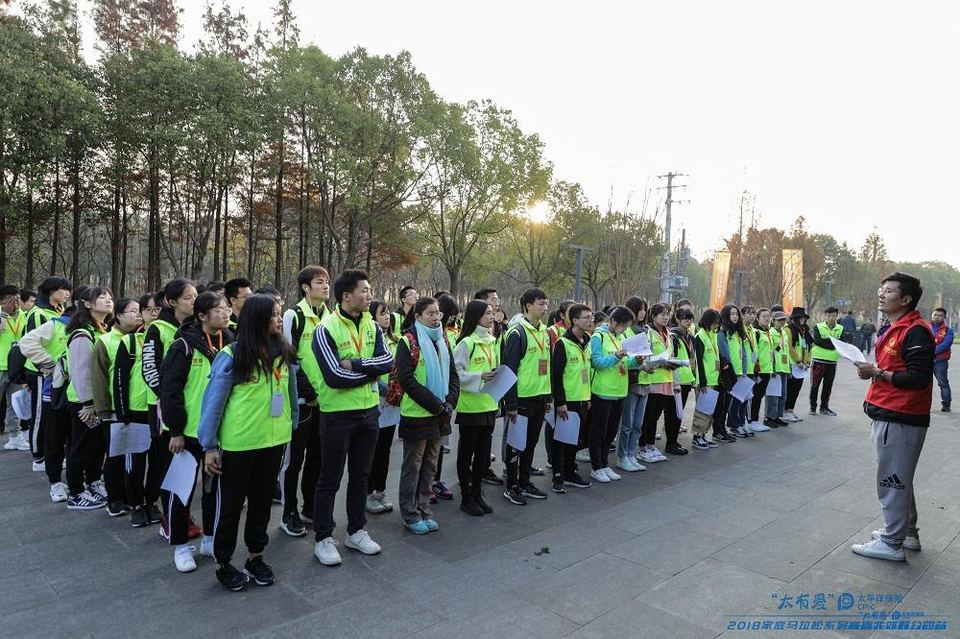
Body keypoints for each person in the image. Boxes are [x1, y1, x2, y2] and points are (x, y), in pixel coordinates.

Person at [195, 294, 297, 590]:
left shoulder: (283, 352)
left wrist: (292, 423)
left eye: (279, 314)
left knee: (262, 504)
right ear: (257, 320)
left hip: (273, 442)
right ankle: (223, 562)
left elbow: (290, 394)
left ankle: (255, 556)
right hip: (238, 446)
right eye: (274, 315)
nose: (279, 319)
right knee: (229, 507)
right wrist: (209, 446)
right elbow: (213, 404)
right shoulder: (232, 355)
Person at [311, 269, 394, 566]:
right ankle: (323, 537)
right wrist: (370, 374)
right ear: (346, 295)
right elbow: (334, 376)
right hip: (337, 415)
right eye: (364, 290)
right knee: (330, 478)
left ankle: (356, 531)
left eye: (369, 289)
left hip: (369, 412)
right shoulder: (325, 328)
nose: (369, 294)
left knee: (361, 475)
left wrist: (356, 364)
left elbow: (388, 361)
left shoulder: (373, 326)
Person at [850, 272, 934, 562]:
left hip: (901, 415)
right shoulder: (895, 327)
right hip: (889, 411)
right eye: (881, 289)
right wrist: (877, 371)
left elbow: (918, 378)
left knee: (892, 480)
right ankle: (906, 533)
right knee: (899, 477)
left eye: (888, 291)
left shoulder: (915, 331)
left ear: (906, 299)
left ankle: (891, 542)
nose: (881, 294)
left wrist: (877, 372)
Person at [158, 291, 233, 571]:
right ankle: (180, 546)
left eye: (226, 308)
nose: (225, 313)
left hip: (220, 432)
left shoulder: (232, 341)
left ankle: (210, 539)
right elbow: (170, 390)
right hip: (188, 433)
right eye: (218, 309)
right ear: (202, 316)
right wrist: (176, 430)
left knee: (214, 489)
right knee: (182, 491)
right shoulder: (183, 345)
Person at [395, 297, 459, 533]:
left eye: (437, 313)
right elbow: (407, 380)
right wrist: (436, 405)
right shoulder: (408, 341)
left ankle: (424, 509)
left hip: (440, 413)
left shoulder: (442, 339)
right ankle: (410, 514)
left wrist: (450, 402)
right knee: (413, 466)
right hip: (418, 414)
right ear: (418, 316)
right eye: (430, 313)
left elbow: (453, 375)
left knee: (430, 464)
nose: (435, 318)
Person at [279, 265, 330, 535]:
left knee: (318, 459)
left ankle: (310, 507)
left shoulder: (331, 317)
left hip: (327, 402)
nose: (326, 286)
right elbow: (289, 358)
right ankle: (288, 512)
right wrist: (308, 393)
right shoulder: (294, 315)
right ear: (306, 287)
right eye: (320, 282)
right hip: (302, 403)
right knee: (294, 461)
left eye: (327, 282)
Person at [90, 297, 146, 518]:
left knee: (135, 455)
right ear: (119, 316)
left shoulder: (143, 338)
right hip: (115, 409)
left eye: (139, 310)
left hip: (139, 408)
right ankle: (114, 499)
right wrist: (103, 410)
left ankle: (132, 497)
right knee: (115, 455)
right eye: (133, 311)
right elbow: (99, 379)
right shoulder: (106, 341)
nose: (138, 314)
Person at [62, 287, 114, 511]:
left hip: (97, 401)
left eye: (110, 297)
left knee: (97, 446)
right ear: (87, 304)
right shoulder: (82, 334)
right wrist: (88, 404)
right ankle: (75, 493)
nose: (108, 301)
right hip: (83, 402)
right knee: (81, 446)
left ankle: (93, 482)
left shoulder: (101, 329)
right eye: (102, 297)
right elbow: (80, 372)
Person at [502, 288, 552, 505]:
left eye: (546, 303)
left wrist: (548, 396)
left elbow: (546, 366)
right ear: (528, 306)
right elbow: (509, 370)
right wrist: (511, 403)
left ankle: (524, 481)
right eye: (541, 303)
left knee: (531, 443)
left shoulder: (544, 332)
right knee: (516, 444)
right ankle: (511, 486)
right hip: (522, 399)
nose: (545, 307)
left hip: (539, 397)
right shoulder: (516, 333)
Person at [16, 276, 71, 468]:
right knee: (39, 415)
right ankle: (38, 457)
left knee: (52, 416)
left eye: (69, 290)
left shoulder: (60, 311)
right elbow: (30, 343)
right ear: (51, 291)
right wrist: (45, 366)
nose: (67, 293)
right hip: (40, 371)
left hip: (56, 372)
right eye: (63, 289)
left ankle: (50, 453)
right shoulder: (37, 313)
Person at [454, 300, 500, 513]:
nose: (492, 317)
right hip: (471, 407)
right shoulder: (466, 343)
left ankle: (477, 493)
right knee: (466, 455)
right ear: (476, 316)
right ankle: (466, 496)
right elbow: (456, 374)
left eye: (492, 313)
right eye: (487, 313)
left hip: (489, 404)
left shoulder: (492, 340)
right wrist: (479, 376)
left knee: (483, 455)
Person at [549, 303, 594, 491]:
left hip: (583, 398)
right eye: (586, 317)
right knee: (561, 439)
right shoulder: (563, 343)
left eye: (591, 317)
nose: (590, 320)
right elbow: (556, 375)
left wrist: (588, 397)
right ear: (575, 320)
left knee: (575, 439)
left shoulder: (587, 341)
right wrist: (560, 402)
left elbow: (586, 371)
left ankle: (569, 471)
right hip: (567, 400)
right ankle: (558, 475)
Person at [589, 306, 633, 479]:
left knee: (610, 432)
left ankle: (604, 464)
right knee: (599, 432)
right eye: (623, 325)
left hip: (620, 391)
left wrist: (637, 362)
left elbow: (626, 363)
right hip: (602, 391)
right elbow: (596, 362)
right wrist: (616, 356)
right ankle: (596, 467)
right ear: (612, 321)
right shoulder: (598, 337)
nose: (624, 329)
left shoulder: (622, 337)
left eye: (627, 326)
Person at [639, 304, 684, 459]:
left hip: (666, 380)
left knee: (655, 416)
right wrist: (661, 363)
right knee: (647, 416)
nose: (666, 317)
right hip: (652, 379)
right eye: (662, 314)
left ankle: (651, 446)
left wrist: (672, 363)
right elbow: (644, 357)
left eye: (668, 314)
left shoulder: (668, 333)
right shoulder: (647, 332)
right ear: (653, 316)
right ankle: (642, 447)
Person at [366, 300, 398, 515]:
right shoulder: (369, 341)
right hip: (375, 400)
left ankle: (380, 491)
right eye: (382, 313)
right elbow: (370, 370)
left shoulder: (395, 341)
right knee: (372, 450)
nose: (387, 317)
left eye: (388, 313)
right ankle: (367, 494)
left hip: (392, 404)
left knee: (385, 449)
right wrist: (388, 390)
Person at [430, 295, 460, 500]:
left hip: (445, 398)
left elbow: (452, 370)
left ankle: (436, 480)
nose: (450, 320)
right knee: (425, 449)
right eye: (448, 316)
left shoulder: (446, 336)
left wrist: (451, 398)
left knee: (439, 444)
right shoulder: (424, 337)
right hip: (430, 400)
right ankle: (426, 484)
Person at [615, 297, 649, 469]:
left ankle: (631, 453)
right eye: (639, 309)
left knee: (638, 424)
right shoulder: (626, 332)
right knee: (627, 424)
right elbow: (624, 357)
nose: (642, 313)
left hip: (645, 380)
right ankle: (622, 456)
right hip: (631, 381)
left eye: (644, 309)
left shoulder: (645, 330)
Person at [718, 304, 752, 439]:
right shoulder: (723, 332)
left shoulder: (738, 332)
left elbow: (743, 353)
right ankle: (732, 426)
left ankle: (739, 424)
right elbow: (725, 354)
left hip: (740, 373)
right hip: (729, 373)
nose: (735, 317)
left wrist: (743, 371)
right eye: (732, 314)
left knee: (741, 400)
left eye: (736, 314)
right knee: (730, 402)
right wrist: (732, 372)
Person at [667, 307, 699, 444]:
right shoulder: (673, 335)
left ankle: (674, 442)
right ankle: (671, 442)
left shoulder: (690, 336)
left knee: (680, 412)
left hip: (687, 378)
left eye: (690, 319)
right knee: (673, 413)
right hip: (676, 379)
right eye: (685, 318)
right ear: (677, 319)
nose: (688, 321)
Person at [693, 309, 723, 449]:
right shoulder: (700, 336)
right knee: (702, 411)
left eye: (718, 323)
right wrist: (703, 382)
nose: (716, 325)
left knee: (709, 411)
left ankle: (703, 434)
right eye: (714, 323)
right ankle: (697, 436)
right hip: (704, 381)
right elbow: (699, 361)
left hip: (713, 379)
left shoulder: (712, 335)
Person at [0, 285, 25, 440]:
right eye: (10, 299)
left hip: (16, 367)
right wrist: (3, 315)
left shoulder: (25, 315)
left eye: (17, 298)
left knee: (15, 404)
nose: (14, 303)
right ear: (2, 301)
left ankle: (14, 437)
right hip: (0, 366)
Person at [809, 306, 843, 416]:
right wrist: (834, 343)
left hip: (832, 361)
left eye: (833, 316)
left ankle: (824, 407)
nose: (831, 318)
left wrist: (828, 341)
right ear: (825, 316)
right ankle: (813, 407)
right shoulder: (818, 327)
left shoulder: (840, 328)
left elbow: (842, 343)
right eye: (829, 316)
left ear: (837, 316)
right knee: (815, 385)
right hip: (818, 360)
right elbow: (818, 341)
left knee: (828, 386)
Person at [782, 307, 811, 422]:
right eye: (800, 318)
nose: (803, 319)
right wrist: (798, 361)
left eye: (804, 317)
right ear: (795, 318)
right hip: (792, 364)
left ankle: (790, 410)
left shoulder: (804, 330)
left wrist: (807, 361)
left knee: (797, 389)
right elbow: (789, 347)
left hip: (802, 366)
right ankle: (785, 411)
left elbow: (809, 346)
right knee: (790, 389)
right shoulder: (788, 329)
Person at [749, 308, 774, 431]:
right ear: (757, 318)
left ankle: (755, 420)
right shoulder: (756, 332)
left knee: (759, 395)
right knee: (755, 395)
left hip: (767, 369)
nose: (767, 318)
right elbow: (754, 350)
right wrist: (755, 366)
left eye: (768, 316)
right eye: (764, 316)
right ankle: (751, 420)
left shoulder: (767, 332)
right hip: (759, 370)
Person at [929, 307, 952, 412]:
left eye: (940, 315)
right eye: (935, 315)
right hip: (925, 360)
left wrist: (931, 352)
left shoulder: (948, 330)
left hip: (940, 361)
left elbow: (946, 344)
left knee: (943, 383)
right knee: (923, 383)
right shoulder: (925, 327)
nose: (937, 317)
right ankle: (921, 404)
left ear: (944, 317)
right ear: (932, 315)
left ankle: (946, 404)